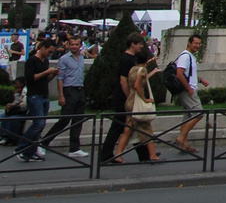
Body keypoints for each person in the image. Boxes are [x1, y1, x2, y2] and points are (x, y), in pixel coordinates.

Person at [98, 34, 153, 164]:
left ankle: (144, 154)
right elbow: (123, 81)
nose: (141, 46)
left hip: (126, 96)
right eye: (139, 43)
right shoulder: (126, 59)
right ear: (132, 44)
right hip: (124, 97)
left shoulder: (132, 58)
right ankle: (106, 155)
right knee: (119, 125)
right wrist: (130, 97)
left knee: (133, 125)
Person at [40, 35, 87, 158]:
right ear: (68, 45)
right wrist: (61, 95)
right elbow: (60, 79)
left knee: (78, 119)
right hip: (69, 90)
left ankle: (74, 148)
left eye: (76, 44)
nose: (74, 47)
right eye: (72, 44)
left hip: (80, 89)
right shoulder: (64, 59)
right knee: (64, 119)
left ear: (80, 45)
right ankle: (44, 142)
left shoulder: (82, 57)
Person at [17, 39, 57, 162]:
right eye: (49, 52)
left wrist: (53, 74)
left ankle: (31, 151)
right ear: (43, 48)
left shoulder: (45, 61)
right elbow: (30, 78)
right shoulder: (32, 61)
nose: (49, 54)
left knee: (40, 125)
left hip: (44, 95)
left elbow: (45, 80)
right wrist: (46, 72)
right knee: (37, 123)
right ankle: (22, 147)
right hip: (34, 95)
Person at [171, 33, 208, 154]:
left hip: (189, 88)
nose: (197, 46)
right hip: (188, 90)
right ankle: (181, 138)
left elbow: (189, 74)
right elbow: (179, 73)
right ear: (189, 43)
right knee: (199, 113)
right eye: (195, 43)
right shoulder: (185, 56)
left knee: (187, 117)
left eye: (199, 43)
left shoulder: (190, 56)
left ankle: (184, 144)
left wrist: (201, 80)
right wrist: (189, 88)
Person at [121, 49, 160, 163]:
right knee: (147, 129)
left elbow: (139, 80)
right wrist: (145, 99)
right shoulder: (142, 70)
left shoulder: (133, 69)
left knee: (127, 129)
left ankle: (118, 154)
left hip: (130, 100)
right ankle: (152, 155)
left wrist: (152, 68)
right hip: (137, 103)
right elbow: (138, 85)